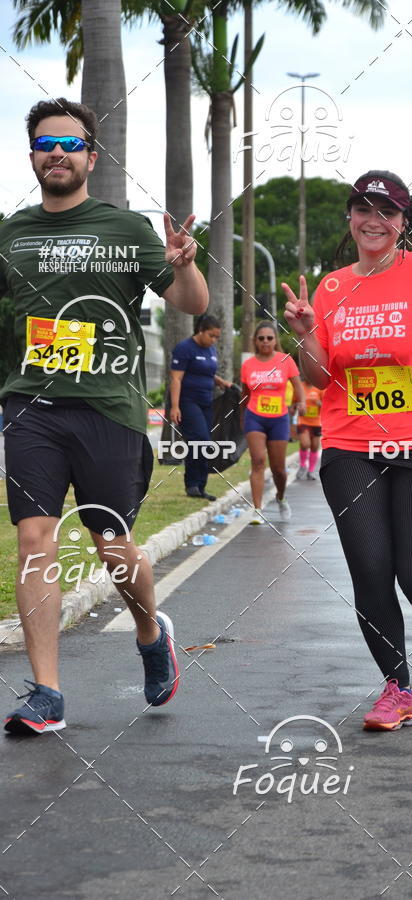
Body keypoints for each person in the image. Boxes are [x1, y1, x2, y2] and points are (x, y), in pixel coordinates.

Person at [0, 98, 208, 734]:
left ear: (92, 155)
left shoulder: (125, 231)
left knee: (112, 547)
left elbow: (191, 302)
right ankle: (48, 693)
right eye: (44, 144)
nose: (55, 154)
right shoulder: (11, 234)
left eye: (69, 144)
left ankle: (150, 631)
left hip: (109, 410)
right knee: (34, 539)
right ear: (32, 154)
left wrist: (186, 261)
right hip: (30, 406)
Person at [283, 169, 412, 731]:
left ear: (403, 224)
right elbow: (319, 375)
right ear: (350, 218)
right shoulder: (330, 288)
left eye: (388, 212)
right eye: (364, 209)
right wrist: (307, 331)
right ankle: (398, 689)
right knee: (371, 572)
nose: (374, 221)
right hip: (351, 446)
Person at [240, 322, 305, 524]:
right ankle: (257, 509)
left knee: (279, 469)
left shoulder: (285, 361)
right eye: (261, 338)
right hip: (254, 416)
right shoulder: (248, 365)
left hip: (279, 418)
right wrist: (242, 416)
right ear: (255, 341)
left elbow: (297, 385)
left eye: (269, 338)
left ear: (275, 340)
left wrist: (300, 402)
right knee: (258, 461)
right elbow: (245, 393)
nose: (266, 341)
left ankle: (281, 496)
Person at [170, 314, 232, 500]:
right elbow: (176, 378)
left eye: (216, 337)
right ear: (201, 331)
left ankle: (200, 486)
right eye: (211, 335)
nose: (213, 340)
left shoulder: (211, 350)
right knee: (200, 439)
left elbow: (206, 372)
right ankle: (192, 484)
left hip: (206, 402)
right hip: (188, 402)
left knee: (203, 443)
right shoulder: (184, 348)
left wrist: (220, 382)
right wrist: (175, 406)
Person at [296, 380, 323, 480]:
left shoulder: (320, 387)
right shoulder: (300, 386)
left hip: (316, 422)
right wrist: (297, 407)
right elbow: (294, 403)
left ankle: (311, 471)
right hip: (303, 421)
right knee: (305, 444)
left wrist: (320, 403)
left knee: (315, 447)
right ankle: (303, 465)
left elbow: (327, 404)